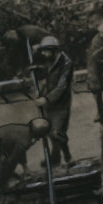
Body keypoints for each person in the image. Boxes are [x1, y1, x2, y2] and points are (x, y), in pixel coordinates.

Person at [32, 36, 73, 168]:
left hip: (61, 103)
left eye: (45, 51)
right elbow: (46, 77)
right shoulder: (49, 60)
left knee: (57, 132)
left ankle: (68, 157)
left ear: (52, 50)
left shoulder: (66, 63)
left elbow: (62, 86)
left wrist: (47, 98)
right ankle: (55, 158)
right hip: (48, 103)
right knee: (49, 131)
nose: (43, 54)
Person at [86, 22, 103, 124]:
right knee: (97, 91)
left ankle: (100, 112)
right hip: (94, 69)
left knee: (98, 90)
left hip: (96, 68)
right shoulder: (97, 41)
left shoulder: (101, 39)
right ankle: (100, 113)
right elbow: (98, 56)